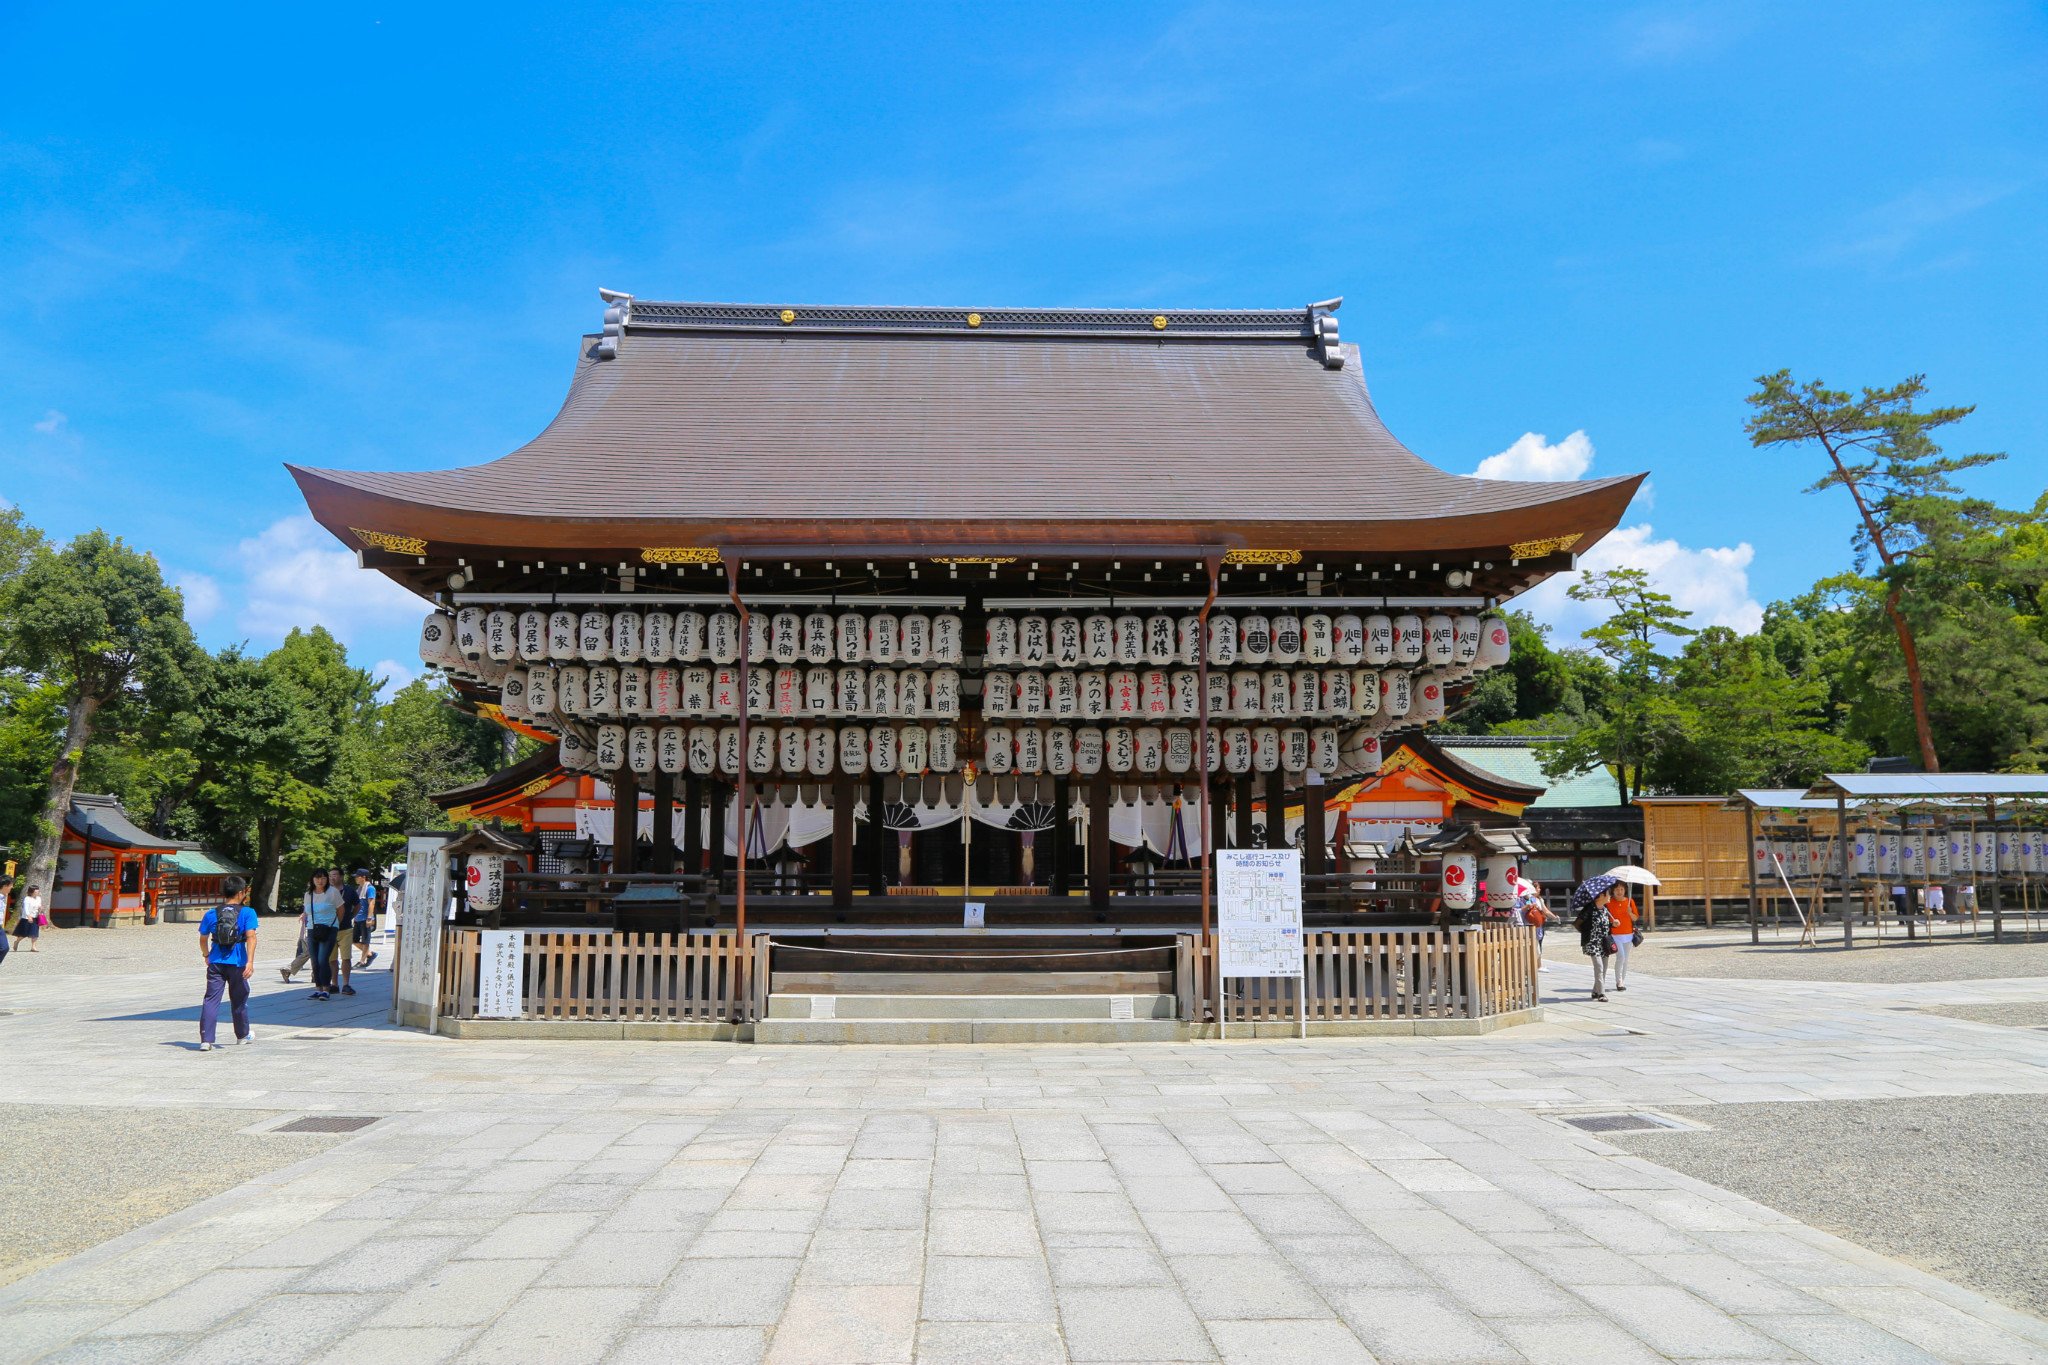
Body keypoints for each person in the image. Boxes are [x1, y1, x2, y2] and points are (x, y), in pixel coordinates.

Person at [198, 876, 259, 1050]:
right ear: (241, 892)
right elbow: (251, 937)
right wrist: (250, 962)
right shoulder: (248, 913)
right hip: (238, 962)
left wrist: (206, 955)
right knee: (239, 999)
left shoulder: (211, 913)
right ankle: (241, 1035)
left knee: (211, 1000)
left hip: (216, 961)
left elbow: (203, 938)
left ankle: (206, 1040)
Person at [304, 869, 345, 1001]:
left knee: (323, 959)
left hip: (329, 928)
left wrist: (335, 924)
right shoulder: (308, 894)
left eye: (323, 878)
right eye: (317, 878)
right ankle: (318, 988)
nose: (320, 881)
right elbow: (307, 911)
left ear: (327, 879)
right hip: (312, 928)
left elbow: (341, 910)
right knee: (314, 960)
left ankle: (326, 989)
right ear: (312, 879)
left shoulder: (332, 892)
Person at [1576, 889, 1613, 1001]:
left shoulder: (1606, 909)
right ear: (1602, 895)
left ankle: (1595, 991)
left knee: (1604, 968)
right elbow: (1578, 924)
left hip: (1604, 943)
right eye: (1608, 894)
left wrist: (1613, 924)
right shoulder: (1589, 909)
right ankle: (1602, 994)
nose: (1610, 896)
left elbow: (1606, 926)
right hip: (1593, 943)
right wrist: (1587, 932)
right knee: (1599, 967)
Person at [330, 866, 358, 997]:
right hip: (329, 928)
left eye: (335, 875)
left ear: (341, 877)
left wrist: (351, 916)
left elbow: (358, 905)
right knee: (332, 959)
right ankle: (334, 984)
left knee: (346, 957)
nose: (332, 877)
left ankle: (346, 984)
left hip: (345, 928)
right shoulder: (326, 891)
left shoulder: (349, 891)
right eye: (330, 875)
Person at [1608, 887, 1642, 991]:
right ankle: (1618, 981)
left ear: (1625, 891)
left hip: (1629, 934)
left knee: (1626, 959)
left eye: (1621, 889)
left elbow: (1635, 918)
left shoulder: (1629, 901)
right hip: (1615, 934)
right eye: (1617, 889)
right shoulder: (1609, 902)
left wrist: (1630, 912)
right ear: (1613, 891)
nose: (1619, 892)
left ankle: (1622, 980)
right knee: (1621, 957)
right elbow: (1607, 918)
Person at [351, 869, 379, 969]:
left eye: (357, 876)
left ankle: (362, 961)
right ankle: (370, 954)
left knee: (366, 940)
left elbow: (372, 903)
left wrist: (369, 918)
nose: (355, 878)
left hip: (365, 918)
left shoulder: (370, 888)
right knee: (353, 940)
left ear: (363, 877)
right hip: (358, 918)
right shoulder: (359, 888)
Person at [14, 882, 45, 952]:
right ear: (32, 892)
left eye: (38, 890)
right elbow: (25, 908)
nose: (38, 892)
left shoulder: (39, 898)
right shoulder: (27, 899)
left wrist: (41, 908)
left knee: (35, 932)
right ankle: (17, 941)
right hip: (27, 918)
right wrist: (29, 916)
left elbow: (39, 906)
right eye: (36, 891)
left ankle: (33, 947)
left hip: (36, 917)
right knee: (24, 933)